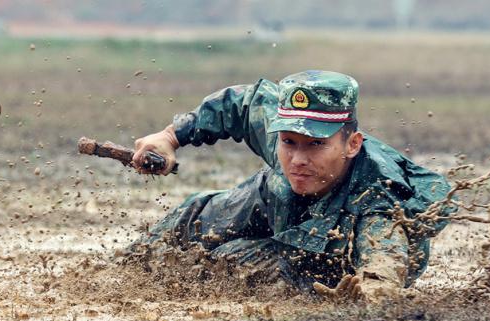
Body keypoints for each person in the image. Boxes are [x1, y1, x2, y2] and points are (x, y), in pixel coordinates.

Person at [126, 70, 453, 303]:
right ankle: (120, 270)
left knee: (226, 267)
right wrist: (169, 137)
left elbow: (384, 266)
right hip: (275, 198)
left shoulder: (379, 196)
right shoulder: (283, 134)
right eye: (289, 142)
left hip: (319, 259)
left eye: (315, 145)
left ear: (351, 144)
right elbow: (241, 103)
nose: (297, 158)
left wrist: (374, 296)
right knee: (195, 215)